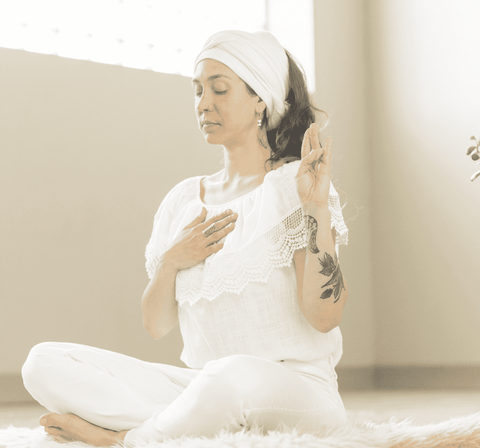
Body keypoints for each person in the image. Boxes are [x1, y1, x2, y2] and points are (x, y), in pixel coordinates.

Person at [21, 30, 349, 447]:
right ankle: (191, 428)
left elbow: (325, 317)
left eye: (219, 89)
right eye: (197, 91)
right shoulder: (181, 200)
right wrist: (172, 262)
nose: (203, 103)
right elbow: (156, 324)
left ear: (260, 100)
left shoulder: (293, 185)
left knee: (231, 377)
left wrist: (315, 207)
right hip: (204, 386)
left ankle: (127, 440)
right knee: (44, 363)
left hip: (296, 389)